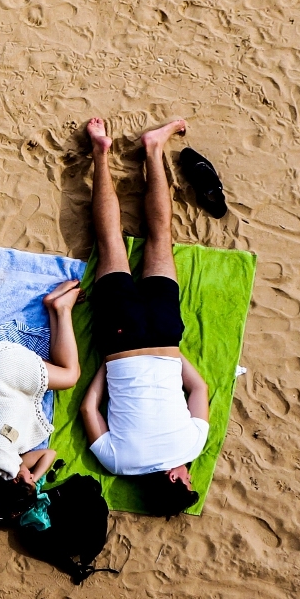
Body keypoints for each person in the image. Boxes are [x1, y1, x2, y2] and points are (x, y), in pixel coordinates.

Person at [78, 118, 209, 518]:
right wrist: (106, 364)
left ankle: (153, 148)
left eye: (187, 479)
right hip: (119, 342)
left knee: (159, 238)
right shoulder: (115, 463)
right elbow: (89, 409)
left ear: (173, 480)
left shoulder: (191, 447)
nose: (188, 473)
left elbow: (198, 389)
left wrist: (172, 353)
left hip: (166, 334)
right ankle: (101, 152)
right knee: (111, 244)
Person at [0, 280, 82, 525]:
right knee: (58, 370)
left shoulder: (9, 464)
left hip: (0, 373)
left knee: (70, 375)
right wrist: (32, 477)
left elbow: (47, 452)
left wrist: (31, 476)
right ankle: (55, 308)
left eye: (28, 478)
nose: (32, 476)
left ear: (16, 480)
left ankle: (62, 309)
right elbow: (49, 453)